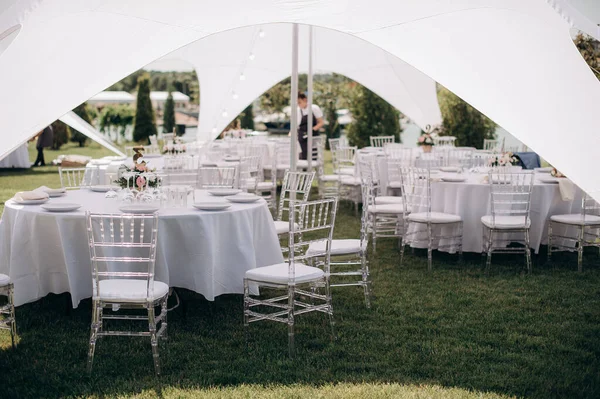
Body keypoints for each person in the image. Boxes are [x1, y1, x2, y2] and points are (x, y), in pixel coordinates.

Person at [297, 92, 324, 160]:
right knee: (302, 157)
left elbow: (321, 123)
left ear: (305, 100)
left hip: (313, 137)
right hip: (302, 138)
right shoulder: (298, 111)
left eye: (299, 102)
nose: (298, 105)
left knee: (313, 157)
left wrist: (311, 130)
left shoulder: (314, 108)